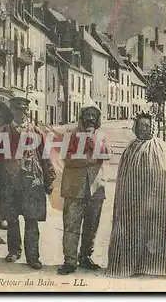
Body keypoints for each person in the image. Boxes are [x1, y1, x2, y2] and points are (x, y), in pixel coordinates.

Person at [106, 111, 166, 278]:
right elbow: (123, 177)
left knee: (156, 230)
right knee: (133, 230)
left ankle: (157, 266)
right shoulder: (130, 148)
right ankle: (131, 266)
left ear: (153, 127)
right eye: (140, 126)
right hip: (134, 198)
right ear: (135, 127)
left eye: (147, 126)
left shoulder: (161, 146)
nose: (143, 129)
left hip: (156, 198)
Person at [0, 97, 57, 270]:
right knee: (12, 218)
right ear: (12, 112)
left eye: (23, 111)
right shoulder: (4, 133)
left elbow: (45, 157)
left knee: (31, 220)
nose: (20, 114)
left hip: (31, 184)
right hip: (10, 183)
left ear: (27, 112)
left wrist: (48, 180)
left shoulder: (36, 132)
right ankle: (14, 251)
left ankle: (33, 257)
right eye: (16, 110)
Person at [58, 102, 112, 275]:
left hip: (96, 188)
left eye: (93, 116)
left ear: (98, 119)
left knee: (91, 226)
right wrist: (90, 160)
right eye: (87, 115)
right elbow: (68, 158)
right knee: (71, 226)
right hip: (75, 188)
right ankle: (70, 261)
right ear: (81, 118)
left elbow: (107, 153)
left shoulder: (101, 136)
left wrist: (90, 141)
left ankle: (85, 257)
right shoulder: (71, 134)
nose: (90, 119)